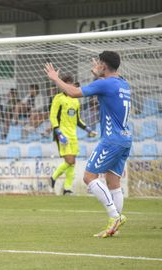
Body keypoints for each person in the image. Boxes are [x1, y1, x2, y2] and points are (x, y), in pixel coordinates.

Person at [45, 51, 130, 238]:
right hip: (125, 138)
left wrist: (55, 78)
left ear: (104, 66)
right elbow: (107, 88)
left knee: (89, 177)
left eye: (99, 62)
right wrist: (98, 75)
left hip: (111, 140)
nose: (96, 64)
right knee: (113, 183)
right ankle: (114, 227)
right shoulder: (123, 83)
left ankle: (114, 216)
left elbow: (74, 92)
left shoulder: (104, 83)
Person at [48, 74, 97, 195]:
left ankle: (67, 189)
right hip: (62, 134)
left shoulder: (75, 100)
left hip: (73, 134)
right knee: (69, 161)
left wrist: (88, 129)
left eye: (71, 83)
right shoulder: (58, 98)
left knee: (72, 163)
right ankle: (53, 177)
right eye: (67, 83)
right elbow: (52, 116)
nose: (70, 85)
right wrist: (58, 132)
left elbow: (78, 120)